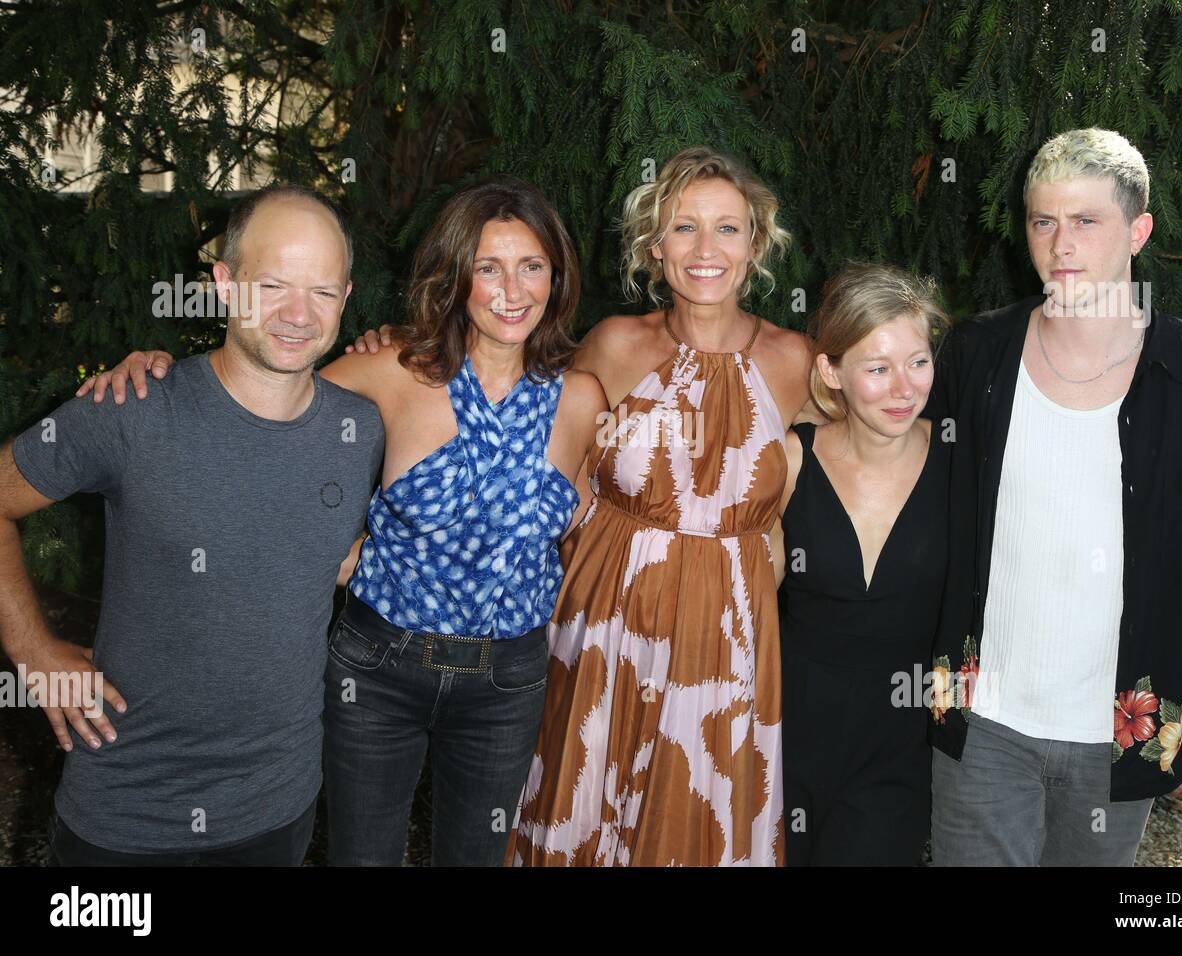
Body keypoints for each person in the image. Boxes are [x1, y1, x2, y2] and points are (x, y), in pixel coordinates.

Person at [75, 177, 607, 866]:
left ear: (556, 276)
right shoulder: (390, 370)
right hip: (378, 669)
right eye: (488, 267)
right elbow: (263, 393)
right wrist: (156, 377)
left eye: (531, 265)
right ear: (456, 278)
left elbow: (602, 519)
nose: (513, 289)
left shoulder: (584, 398)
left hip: (508, 680)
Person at [348, 146, 815, 865]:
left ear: (757, 242)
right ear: (655, 247)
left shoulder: (797, 362)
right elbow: (524, 428)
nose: (706, 249)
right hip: (601, 635)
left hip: (723, 647)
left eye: (728, 228)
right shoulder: (612, 346)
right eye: (684, 227)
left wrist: (784, 543)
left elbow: (877, 433)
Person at [927, 128, 1182, 866]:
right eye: (1044, 221)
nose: (1061, 244)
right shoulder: (977, 354)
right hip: (981, 726)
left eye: (1086, 221)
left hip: (1121, 737)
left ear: (1139, 230)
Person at [0, 184, 385, 865]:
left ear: (346, 300)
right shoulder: (132, 408)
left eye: (322, 292)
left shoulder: (360, 430)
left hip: (279, 809)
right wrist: (35, 654)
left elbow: (336, 553)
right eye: (274, 285)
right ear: (224, 284)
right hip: (124, 816)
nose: (299, 314)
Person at [772, 262, 950, 866]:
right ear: (831, 370)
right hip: (783, 732)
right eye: (877, 368)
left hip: (901, 745)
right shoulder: (790, 461)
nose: (904, 388)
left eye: (918, 362)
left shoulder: (961, 464)